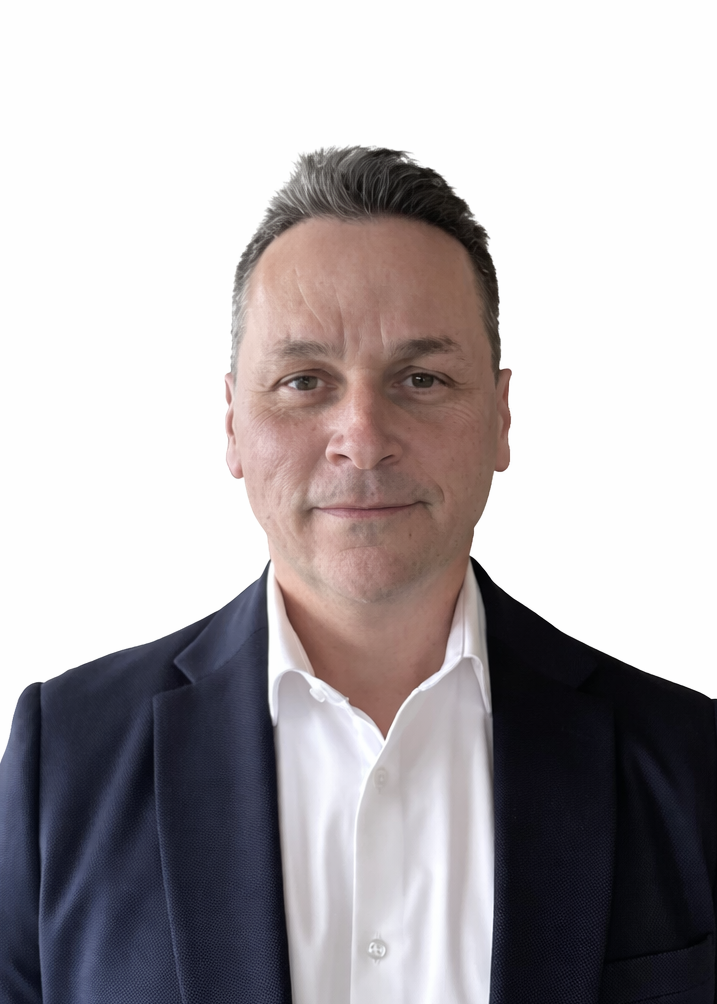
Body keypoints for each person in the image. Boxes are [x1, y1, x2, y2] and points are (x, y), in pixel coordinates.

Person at [0, 147, 715, 1004]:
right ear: (232, 422)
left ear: (500, 417)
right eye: (305, 382)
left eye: (422, 378)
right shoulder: (66, 760)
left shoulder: (689, 763)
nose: (362, 435)